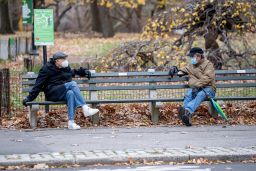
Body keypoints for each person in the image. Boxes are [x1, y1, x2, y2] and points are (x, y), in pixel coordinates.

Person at [22, 52, 99, 130]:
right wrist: (29, 98)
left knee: (70, 93)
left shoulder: (65, 68)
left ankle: (71, 122)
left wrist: (84, 72)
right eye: (63, 59)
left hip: (62, 92)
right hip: (52, 93)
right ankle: (85, 107)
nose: (65, 61)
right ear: (57, 61)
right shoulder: (47, 68)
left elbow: (73, 72)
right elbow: (38, 85)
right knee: (72, 84)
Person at [169, 47, 216, 126]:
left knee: (200, 94)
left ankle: (187, 111)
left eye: (192, 57)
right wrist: (176, 69)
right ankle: (185, 115)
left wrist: (196, 85)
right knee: (189, 94)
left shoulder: (208, 65)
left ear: (199, 56)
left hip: (209, 89)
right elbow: (183, 70)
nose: (191, 58)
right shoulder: (191, 66)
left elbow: (207, 78)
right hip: (196, 88)